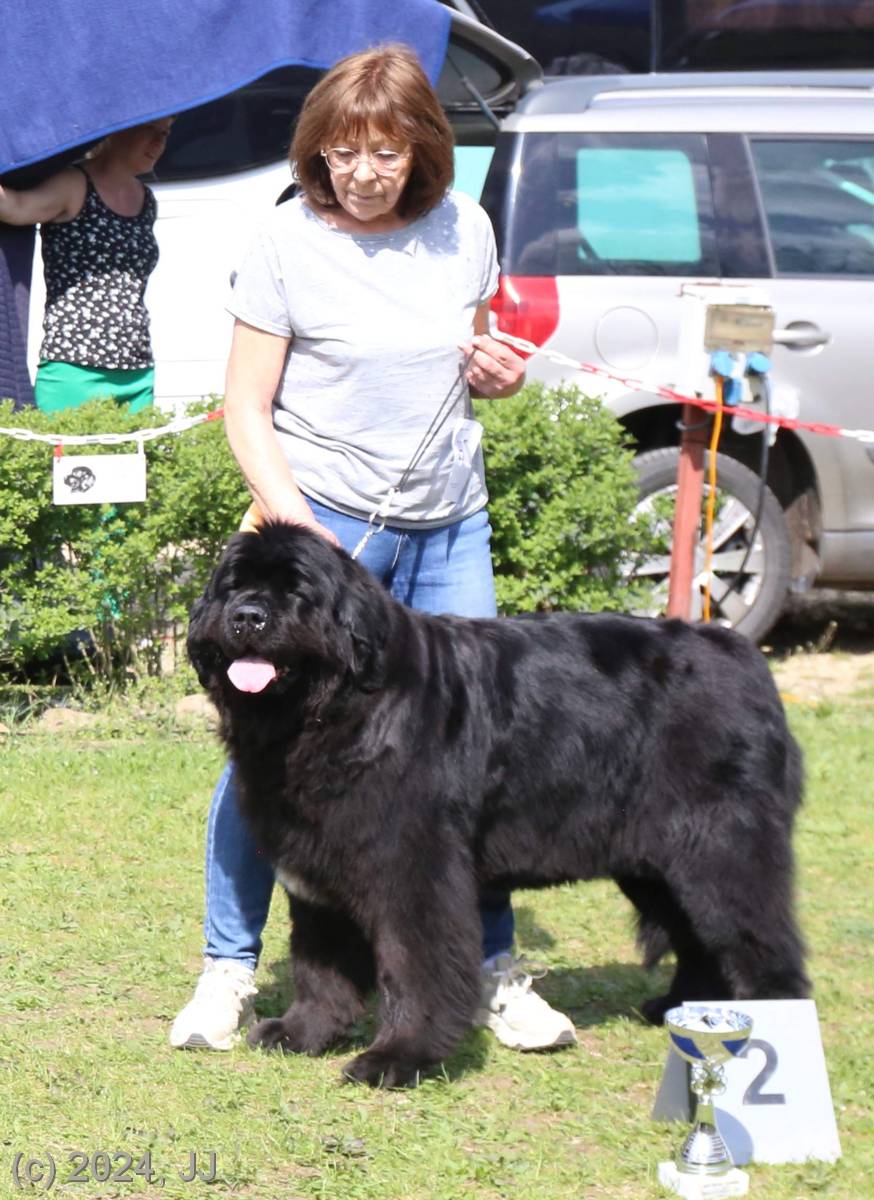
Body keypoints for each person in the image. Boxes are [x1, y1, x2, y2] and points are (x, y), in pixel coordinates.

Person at [170, 45, 576, 1056]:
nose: (360, 173)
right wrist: (297, 530)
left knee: (471, 757)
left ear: (423, 150)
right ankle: (227, 969)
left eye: (384, 154)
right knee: (266, 748)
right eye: (341, 153)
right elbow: (245, 409)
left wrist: (500, 375)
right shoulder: (284, 244)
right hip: (321, 530)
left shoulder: (465, 229)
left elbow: (471, 365)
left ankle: (490, 971)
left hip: (448, 526)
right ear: (316, 152)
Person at [0, 119, 172, 413]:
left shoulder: (146, 199)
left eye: (165, 134)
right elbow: (16, 207)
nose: (158, 143)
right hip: (74, 368)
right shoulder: (73, 184)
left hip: (138, 370)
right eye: (150, 131)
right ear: (121, 128)